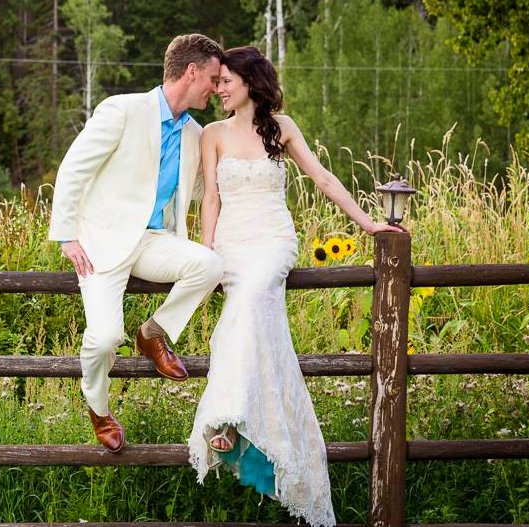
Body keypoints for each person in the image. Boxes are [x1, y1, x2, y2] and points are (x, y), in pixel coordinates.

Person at [187, 46, 403, 527]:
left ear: (249, 82)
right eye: (217, 81)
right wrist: (206, 255)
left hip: (273, 241)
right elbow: (211, 200)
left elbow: (323, 178)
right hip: (231, 244)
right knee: (244, 304)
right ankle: (241, 429)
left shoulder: (282, 128)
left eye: (226, 81)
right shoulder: (212, 135)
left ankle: (226, 419)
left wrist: (369, 223)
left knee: (256, 293)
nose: (218, 88)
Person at [49, 34, 225, 454]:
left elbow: (207, 191)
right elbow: (73, 168)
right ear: (192, 71)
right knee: (106, 337)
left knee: (209, 265)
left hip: (153, 241)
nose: (217, 89)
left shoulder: (195, 133)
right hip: (100, 245)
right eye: (213, 79)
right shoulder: (122, 110)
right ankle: (99, 409)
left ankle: (153, 333)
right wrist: (66, 235)